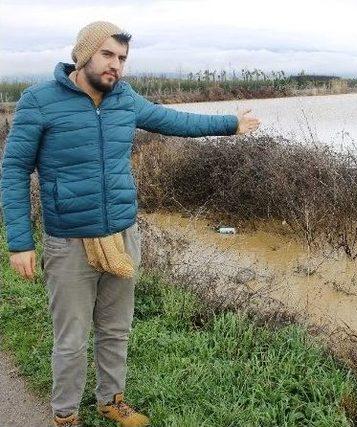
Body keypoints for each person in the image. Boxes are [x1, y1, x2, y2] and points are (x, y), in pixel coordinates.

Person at [0, 20, 260, 427]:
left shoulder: (125, 99)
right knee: (71, 339)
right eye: (108, 55)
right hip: (69, 242)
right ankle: (65, 415)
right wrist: (20, 242)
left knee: (116, 328)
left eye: (122, 59)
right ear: (84, 54)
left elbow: (174, 121)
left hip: (122, 233)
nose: (115, 66)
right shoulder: (39, 101)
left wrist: (229, 124)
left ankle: (111, 400)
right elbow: (14, 170)